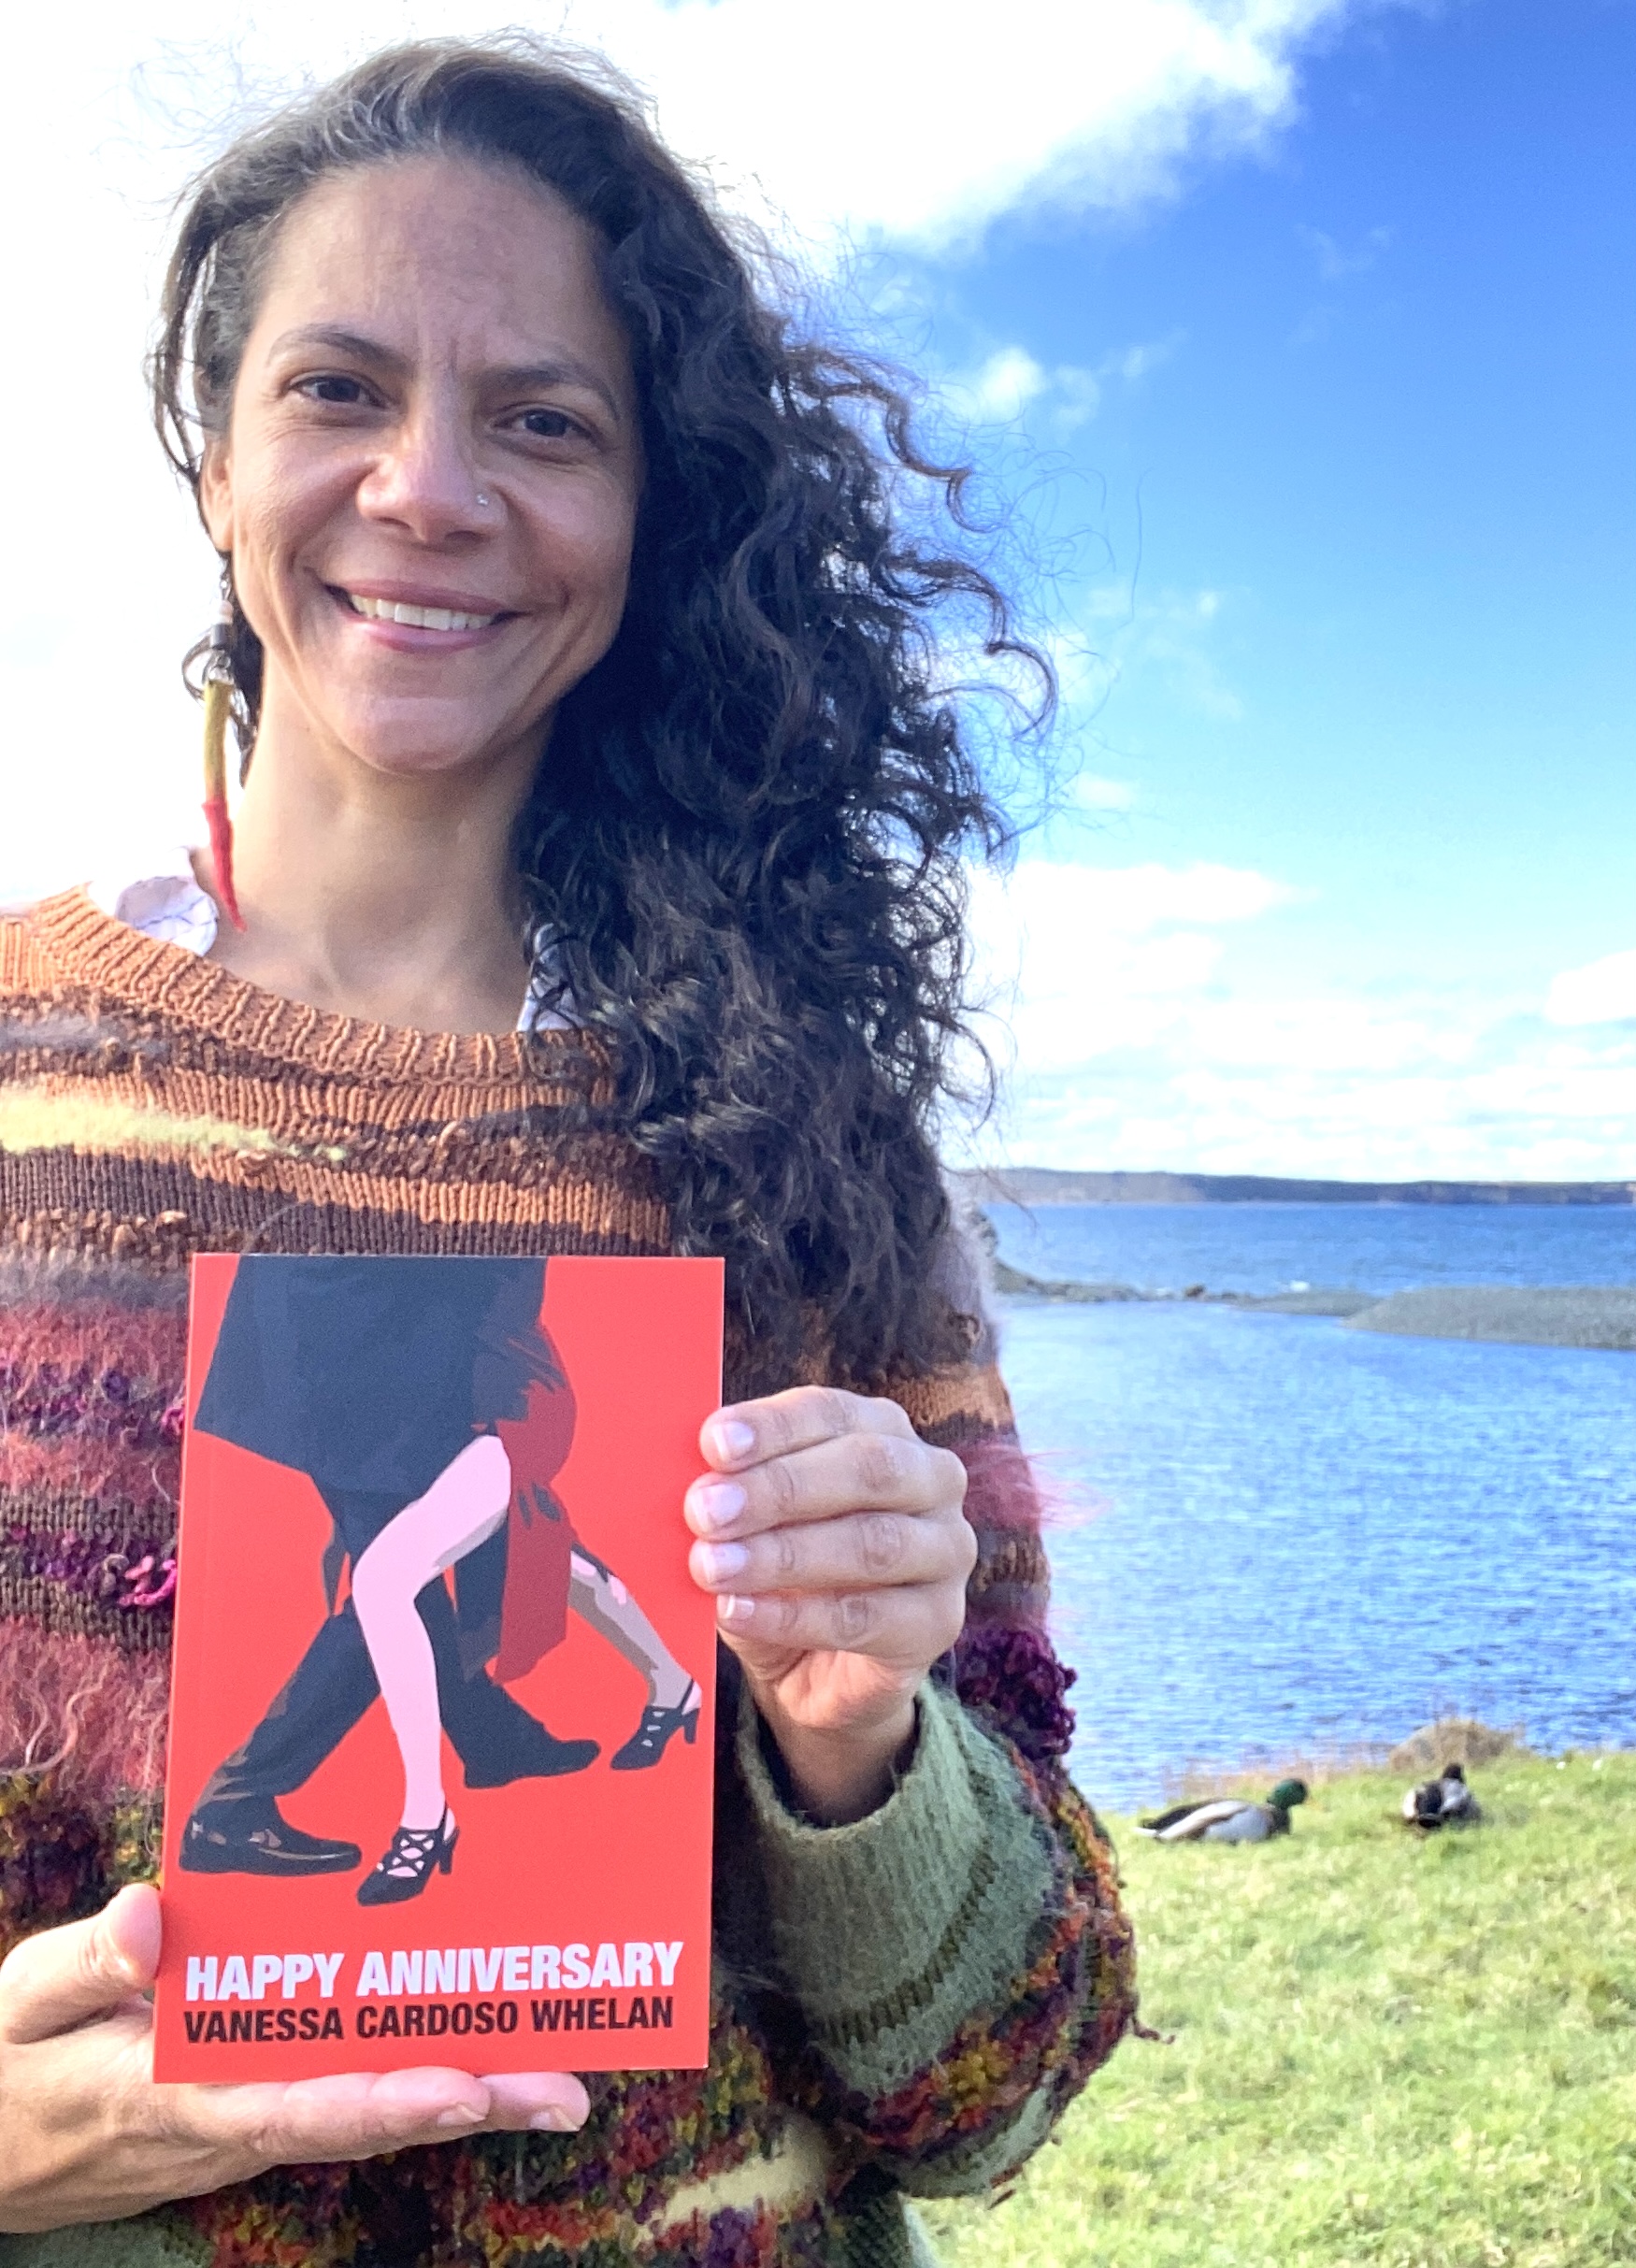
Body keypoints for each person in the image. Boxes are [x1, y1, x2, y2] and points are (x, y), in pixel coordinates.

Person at [0, 36, 1137, 2266]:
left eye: (544, 419)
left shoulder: (809, 1139)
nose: (428, 489)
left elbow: (1002, 2082)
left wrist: (859, 1749)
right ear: (216, 461)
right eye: (339, 388)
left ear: (650, 518)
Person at [179, 1254, 700, 1903]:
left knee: (421, 1572)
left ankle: (438, 1794)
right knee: (477, 1563)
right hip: (373, 1357)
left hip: (437, 1375)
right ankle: (486, 1757)